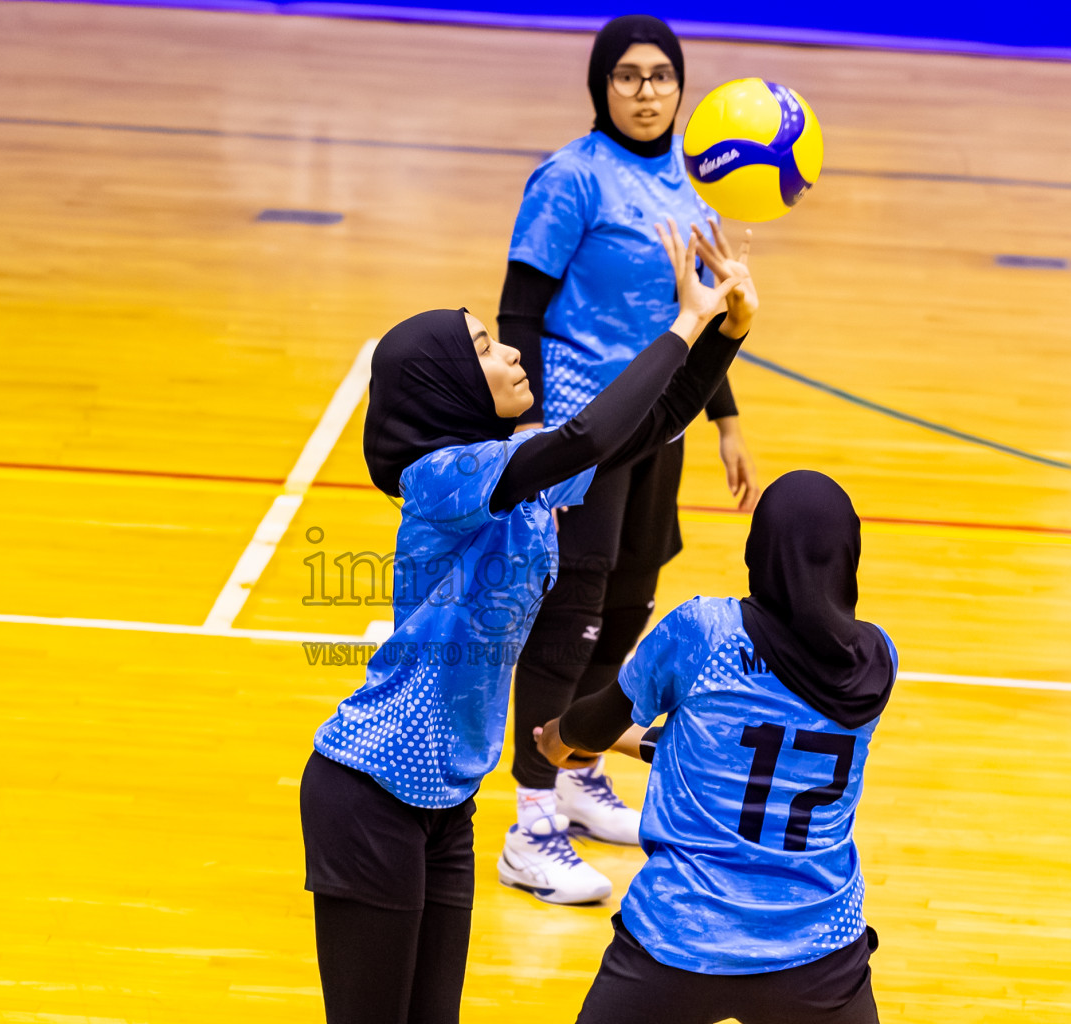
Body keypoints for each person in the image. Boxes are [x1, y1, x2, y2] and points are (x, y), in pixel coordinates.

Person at [301, 220, 757, 1024]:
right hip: (370, 792)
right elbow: (590, 432)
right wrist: (683, 323)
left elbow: (645, 427)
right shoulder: (442, 477)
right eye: (485, 347)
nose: (513, 353)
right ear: (447, 384)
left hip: (445, 802)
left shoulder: (519, 470)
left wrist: (726, 332)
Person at [497, 13, 763, 903]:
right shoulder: (570, 177)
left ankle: (575, 770)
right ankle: (529, 824)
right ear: (601, 85)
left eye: (661, 76)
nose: (647, 92)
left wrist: (725, 418)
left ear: (682, 87)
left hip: (662, 423)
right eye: (628, 76)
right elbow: (520, 308)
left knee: (627, 606)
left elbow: (691, 308)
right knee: (570, 615)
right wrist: (532, 429)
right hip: (585, 424)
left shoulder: (695, 176)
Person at [535, 470, 897, 1024]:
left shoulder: (706, 632)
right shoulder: (874, 661)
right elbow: (754, 759)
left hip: (677, 939)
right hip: (818, 951)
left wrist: (558, 739)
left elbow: (595, 725)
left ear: (759, 549)